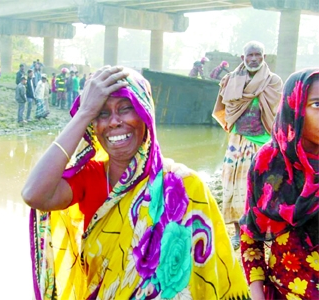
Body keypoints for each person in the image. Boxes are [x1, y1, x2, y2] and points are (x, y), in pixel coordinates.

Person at [22, 66, 250, 299]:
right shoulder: (90, 176)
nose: (113, 122)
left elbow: (211, 274)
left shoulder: (184, 186)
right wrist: (84, 113)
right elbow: (34, 194)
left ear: (145, 114)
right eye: (102, 114)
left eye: (125, 109)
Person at [240, 68, 319, 300]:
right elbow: (250, 235)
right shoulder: (268, 164)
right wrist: (257, 293)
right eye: (318, 104)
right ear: (294, 108)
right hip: (284, 292)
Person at [212, 41, 283, 250]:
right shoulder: (230, 80)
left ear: (264, 57)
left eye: (258, 55)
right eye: (249, 55)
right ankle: (237, 232)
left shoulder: (273, 82)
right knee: (232, 186)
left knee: (263, 187)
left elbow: (279, 113)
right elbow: (223, 109)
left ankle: (263, 231)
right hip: (237, 141)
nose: (253, 59)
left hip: (263, 142)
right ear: (243, 58)